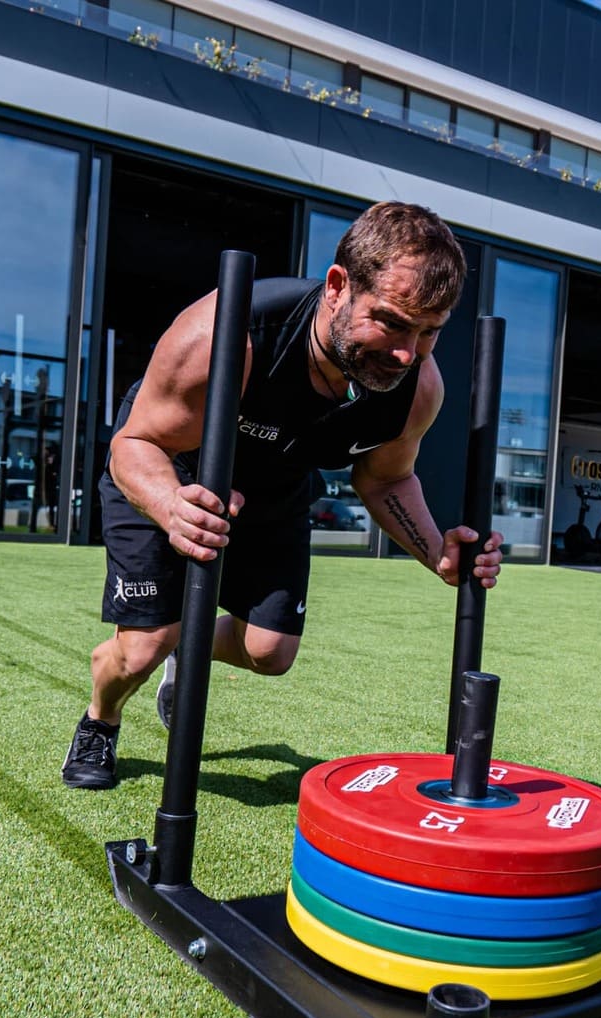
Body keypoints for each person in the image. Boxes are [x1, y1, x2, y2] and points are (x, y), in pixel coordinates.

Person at [63, 201, 503, 789]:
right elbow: (134, 443)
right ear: (339, 286)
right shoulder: (225, 337)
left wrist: (438, 554)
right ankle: (102, 716)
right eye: (392, 322)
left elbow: (386, 478)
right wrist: (171, 506)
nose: (407, 352)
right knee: (144, 645)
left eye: (429, 332)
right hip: (173, 467)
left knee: (270, 652)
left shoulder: (415, 388)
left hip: (277, 484)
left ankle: (184, 653)